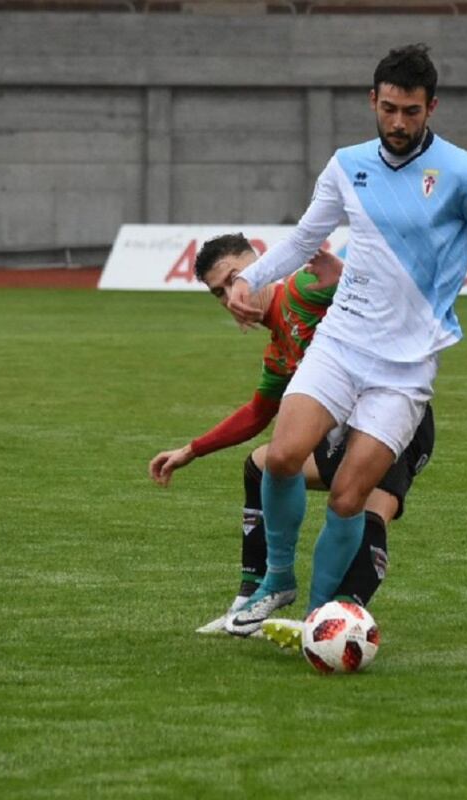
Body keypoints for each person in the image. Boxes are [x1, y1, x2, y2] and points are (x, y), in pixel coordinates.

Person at [225, 43, 467, 635]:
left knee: (346, 497)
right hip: (340, 343)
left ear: (431, 107)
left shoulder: (462, 173)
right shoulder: (346, 164)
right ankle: (276, 581)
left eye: (411, 112)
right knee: (281, 458)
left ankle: (317, 614)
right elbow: (304, 238)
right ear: (373, 101)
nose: (398, 123)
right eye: (388, 109)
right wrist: (249, 277)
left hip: (406, 367)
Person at [148, 233, 434, 637]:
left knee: (367, 511)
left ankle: (331, 623)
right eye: (219, 293)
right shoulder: (279, 351)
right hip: (336, 438)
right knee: (264, 464)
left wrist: (344, 273)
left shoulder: (300, 289)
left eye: (236, 278)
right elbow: (257, 414)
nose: (232, 296)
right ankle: (252, 599)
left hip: (396, 423)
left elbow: (376, 289)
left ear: (262, 262)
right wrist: (191, 451)